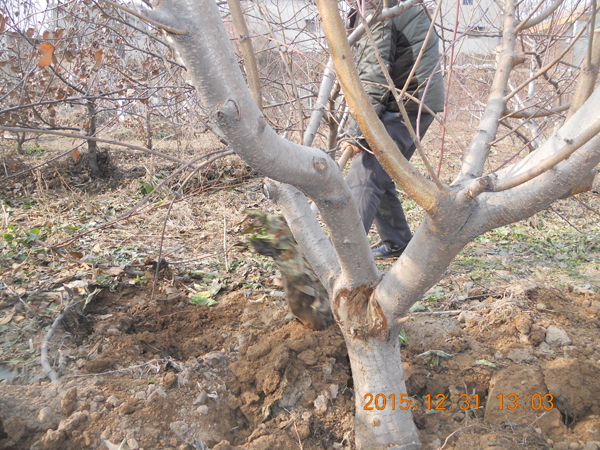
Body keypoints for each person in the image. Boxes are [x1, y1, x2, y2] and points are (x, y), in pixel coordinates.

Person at [340, 1, 445, 258]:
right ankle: (398, 242)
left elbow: (374, 78)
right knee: (381, 170)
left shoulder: (379, 10)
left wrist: (356, 133)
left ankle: (344, 259)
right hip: (410, 99)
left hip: (408, 103)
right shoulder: (384, 5)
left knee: (366, 174)